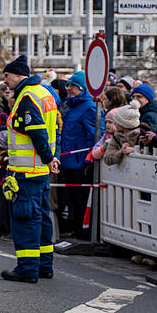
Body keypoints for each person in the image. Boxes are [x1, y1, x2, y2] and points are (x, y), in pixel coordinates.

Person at [0, 54, 60, 284]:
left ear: (18, 75)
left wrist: (47, 156)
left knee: (26, 220)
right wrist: (54, 158)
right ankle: (45, 265)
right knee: (42, 218)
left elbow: (37, 133)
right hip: (41, 171)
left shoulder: (27, 97)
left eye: (7, 76)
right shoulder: (45, 94)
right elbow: (56, 129)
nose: (5, 81)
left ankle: (27, 268)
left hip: (27, 171)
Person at [58, 71, 98, 238]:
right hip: (68, 161)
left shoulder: (88, 107)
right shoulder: (70, 106)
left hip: (80, 162)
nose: (69, 88)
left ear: (82, 88)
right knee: (73, 199)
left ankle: (83, 232)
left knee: (81, 200)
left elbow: (94, 134)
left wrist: (89, 159)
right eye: (68, 85)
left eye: (73, 86)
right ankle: (76, 229)